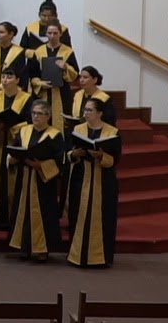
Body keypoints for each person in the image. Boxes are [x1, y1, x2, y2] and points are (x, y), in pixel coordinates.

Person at [7, 100, 64, 262]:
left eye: (39, 113)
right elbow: (14, 149)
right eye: (33, 113)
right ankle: (23, 247)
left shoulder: (54, 135)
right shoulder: (24, 131)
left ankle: (41, 249)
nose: (35, 116)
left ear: (48, 116)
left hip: (43, 182)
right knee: (23, 212)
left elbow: (60, 161)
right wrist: (12, 159)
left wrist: (41, 165)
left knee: (43, 214)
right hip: (24, 178)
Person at [67, 98, 120, 268]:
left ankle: (100, 257)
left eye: (90, 110)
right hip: (81, 177)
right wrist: (74, 154)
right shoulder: (78, 130)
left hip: (103, 180)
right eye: (85, 110)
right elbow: (68, 153)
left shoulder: (112, 132)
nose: (86, 113)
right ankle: (76, 255)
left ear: (100, 113)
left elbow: (116, 159)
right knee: (77, 213)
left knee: (104, 217)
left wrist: (102, 156)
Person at [0, 68, 34, 228]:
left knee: (13, 180)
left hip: (16, 144)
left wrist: (12, 128)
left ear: (18, 80)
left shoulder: (26, 98)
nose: (5, 80)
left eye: (9, 77)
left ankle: (14, 216)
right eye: (3, 77)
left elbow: (30, 121)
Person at [30, 23, 78, 118]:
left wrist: (66, 67)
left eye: (55, 33)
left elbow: (75, 74)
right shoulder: (39, 51)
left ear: (60, 34)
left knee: (61, 119)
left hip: (62, 92)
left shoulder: (68, 51)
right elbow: (33, 74)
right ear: (46, 34)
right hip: (43, 92)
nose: (52, 36)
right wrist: (40, 83)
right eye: (50, 33)